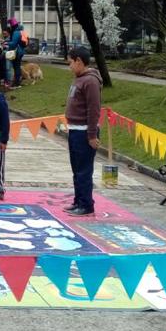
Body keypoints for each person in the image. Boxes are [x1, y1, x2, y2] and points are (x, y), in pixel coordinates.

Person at [64, 47, 102, 216]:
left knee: (83, 171)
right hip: (74, 130)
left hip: (84, 132)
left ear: (79, 61)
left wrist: (92, 135)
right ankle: (78, 200)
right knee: (76, 170)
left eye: (70, 63)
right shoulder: (78, 79)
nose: (70, 67)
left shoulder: (90, 81)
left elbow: (94, 110)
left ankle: (86, 205)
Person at [7, 22, 27, 87]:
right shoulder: (23, 32)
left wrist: (6, 43)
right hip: (21, 51)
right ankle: (18, 81)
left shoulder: (16, 33)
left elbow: (13, 43)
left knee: (16, 67)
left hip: (17, 52)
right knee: (17, 66)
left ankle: (16, 82)